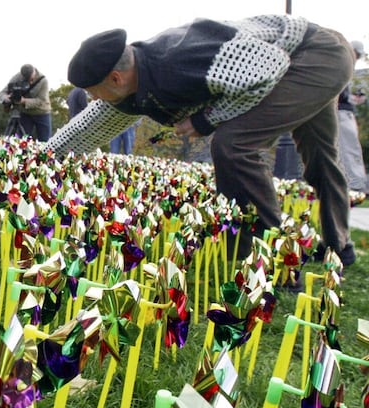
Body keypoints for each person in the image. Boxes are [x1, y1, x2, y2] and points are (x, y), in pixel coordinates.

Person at [47, 15, 356, 266]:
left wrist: (205, 120)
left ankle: (267, 257)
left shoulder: (177, 61)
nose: (90, 98)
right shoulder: (131, 80)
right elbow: (90, 125)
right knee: (321, 157)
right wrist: (47, 155)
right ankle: (339, 249)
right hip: (307, 55)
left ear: (115, 78)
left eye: (92, 90)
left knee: (232, 145)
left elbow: (267, 68)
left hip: (315, 54)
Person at [337, 41, 368, 195]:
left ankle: (355, 184)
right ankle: (356, 186)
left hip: (344, 112)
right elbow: (338, 91)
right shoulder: (343, 63)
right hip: (341, 113)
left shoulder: (345, 63)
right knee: (349, 149)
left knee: (349, 149)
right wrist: (351, 98)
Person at [0, 64, 52, 141]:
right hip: (25, 113)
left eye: (31, 79)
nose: (30, 82)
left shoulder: (43, 81)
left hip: (41, 112)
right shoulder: (17, 77)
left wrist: (24, 101)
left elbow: (41, 101)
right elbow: (3, 92)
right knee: (21, 140)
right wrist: (6, 98)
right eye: (27, 79)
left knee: (45, 141)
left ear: (34, 72)